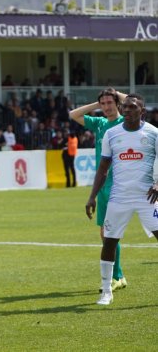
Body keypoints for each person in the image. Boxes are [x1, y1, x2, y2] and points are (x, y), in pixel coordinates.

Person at [85, 94, 158, 305]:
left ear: (141, 110)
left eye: (132, 107)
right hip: (119, 197)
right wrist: (92, 197)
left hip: (147, 197)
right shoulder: (111, 133)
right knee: (109, 241)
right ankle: (106, 290)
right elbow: (103, 168)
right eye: (124, 107)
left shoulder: (153, 133)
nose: (127, 110)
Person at [69, 87, 128, 291]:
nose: (106, 107)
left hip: (119, 184)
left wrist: (116, 95)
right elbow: (73, 114)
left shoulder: (126, 121)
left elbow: (135, 103)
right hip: (101, 185)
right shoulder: (100, 123)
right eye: (103, 104)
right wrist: (98, 103)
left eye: (109, 103)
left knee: (110, 232)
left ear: (118, 103)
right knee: (105, 233)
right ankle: (118, 275)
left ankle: (116, 276)